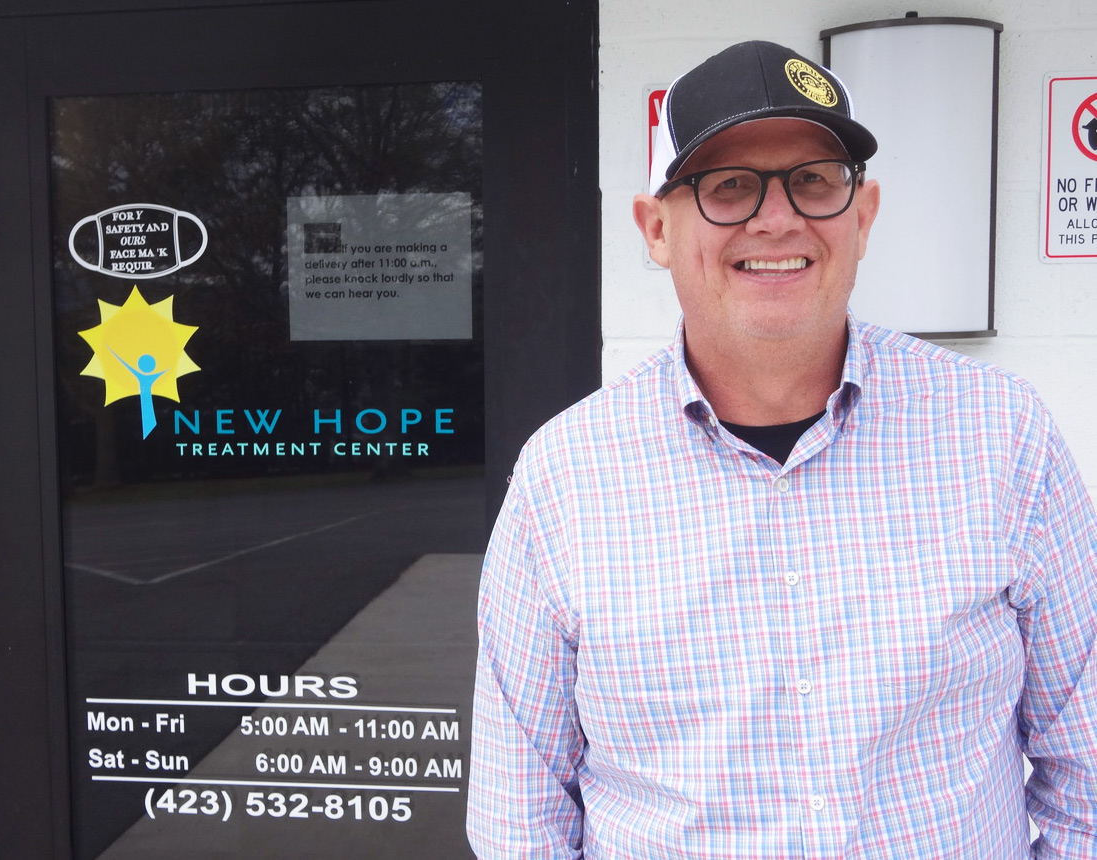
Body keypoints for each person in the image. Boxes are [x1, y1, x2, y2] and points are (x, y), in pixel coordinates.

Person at [466, 40, 1097, 859]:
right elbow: (521, 820)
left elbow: (1084, 763)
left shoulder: (1001, 436)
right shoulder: (564, 476)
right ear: (655, 229)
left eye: (813, 181)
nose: (777, 218)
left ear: (861, 217)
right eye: (726, 186)